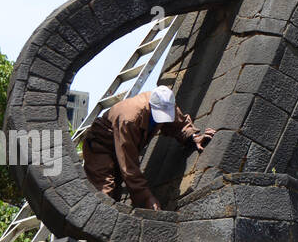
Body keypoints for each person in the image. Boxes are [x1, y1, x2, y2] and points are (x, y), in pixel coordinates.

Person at [81, 85, 214, 210]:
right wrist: (146, 197)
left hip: (122, 144)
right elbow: (128, 165)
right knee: (105, 195)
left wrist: (193, 136)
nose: (163, 119)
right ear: (151, 106)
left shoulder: (165, 101)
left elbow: (178, 124)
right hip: (101, 147)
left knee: (115, 197)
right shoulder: (130, 119)